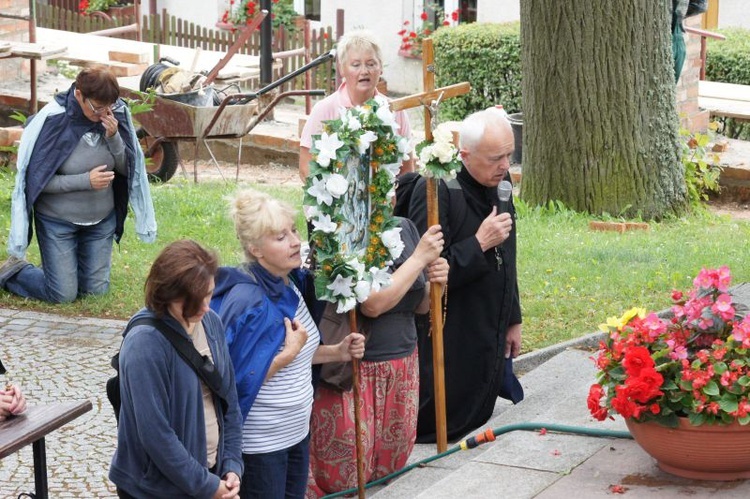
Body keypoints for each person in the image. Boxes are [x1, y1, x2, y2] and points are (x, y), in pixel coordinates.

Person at [209, 189, 366, 499]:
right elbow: (234, 383)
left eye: (293, 230)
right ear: (256, 249)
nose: (296, 241)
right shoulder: (249, 301)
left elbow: (297, 353)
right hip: (262, 445)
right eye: (280, 237)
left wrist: (337, 352)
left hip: (295, 434)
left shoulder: (289, 284)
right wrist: (287, 354)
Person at [308, 214, 449, 496]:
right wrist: (419, 259)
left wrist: (438, 281)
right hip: (357, 370)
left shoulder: (405, 227)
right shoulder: (341, 229)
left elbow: (420, 306)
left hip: (403, 362)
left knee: (390, 469)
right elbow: (372, 303)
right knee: (346, 474)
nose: (391, 185)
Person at [408, 108, 522, 442]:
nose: (505, 166)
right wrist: (478, 243)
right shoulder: (437, 190)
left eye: (509, 155)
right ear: (465, 155)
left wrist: (512, 317)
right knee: (449, 407)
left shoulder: (501, 183)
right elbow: (421, 270)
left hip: (488, 316)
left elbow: (508, 252)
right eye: (495, 158)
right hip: (452, 326)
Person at [0, 66, 157, 303]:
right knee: (62, 295)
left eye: (109, 107)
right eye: (96, 107)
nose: (103, 113)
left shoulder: (116, 115)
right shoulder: (54, 119)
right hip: (57, 222)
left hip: (100, 221)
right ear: (78, 95)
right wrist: (85, 181)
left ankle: (64, 268)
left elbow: (128, 171)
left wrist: (114, 138)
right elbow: (38, 182)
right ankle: (14, 271)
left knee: (94, 292)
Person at [109, 240, 243, 499]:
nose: (205, 307)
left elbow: (230, 402)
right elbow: (155, 435)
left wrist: (232, 467)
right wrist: (208, 486)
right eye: (194, 301)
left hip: (210, 478)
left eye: (209, 295)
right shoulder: (145, 343)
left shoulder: (211, 323)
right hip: (155, 490)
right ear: (167, 294)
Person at [298, 28, 414, 181]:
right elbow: (306, 167)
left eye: (371, 64)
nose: (364, 71)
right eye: (356, 65)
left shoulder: (395, 110)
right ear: (341, 69)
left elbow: (407, 170)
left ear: (380, 68)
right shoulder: (324, 110)